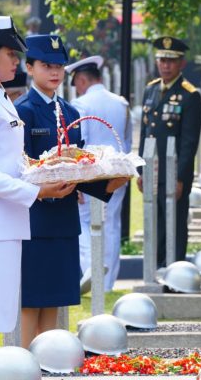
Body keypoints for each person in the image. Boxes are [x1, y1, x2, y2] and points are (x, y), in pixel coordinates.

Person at [0, 16, 75, 376]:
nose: (15, 61)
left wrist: (46, 170)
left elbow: (7, 162)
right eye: (10, 54)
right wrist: (37, 190)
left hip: (3, 225)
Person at [15, 35, 125, 348]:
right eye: (46, 65)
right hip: (33, 219)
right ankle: (25, 362)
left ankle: (49, 361)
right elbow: (18, 169)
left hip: (63, 219)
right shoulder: (22, 111)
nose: (54, 72)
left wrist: (107, 183)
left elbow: (79, 166)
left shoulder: (71, 112)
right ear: (30, 67)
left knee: (54, 300)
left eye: (60, 66)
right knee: (30, 300)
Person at [66, 55, 132, 291]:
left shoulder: (81, 105)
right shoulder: (122, 104)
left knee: (85, 224)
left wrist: (75, 179)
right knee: (112, 225)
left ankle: (91, 272)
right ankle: (107, 283)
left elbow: (78, 145)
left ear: (82, 80)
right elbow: (126, 142)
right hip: (116, 173)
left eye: (77, 83)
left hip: (90, 175)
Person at [137, 37, 201, 267]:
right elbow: (146, 133)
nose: (165, 65)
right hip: (152, 171)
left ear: (181, 64)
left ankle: (174, 269)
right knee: (154, 223)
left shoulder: (189, 95)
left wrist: (181, 177)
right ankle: (154, 267)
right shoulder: (151, 90)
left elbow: (189, 142)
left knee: (174, 224)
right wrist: (140, 170)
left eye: (171, 61)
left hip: (173, 173)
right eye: (162, 60)